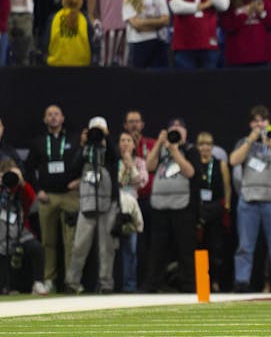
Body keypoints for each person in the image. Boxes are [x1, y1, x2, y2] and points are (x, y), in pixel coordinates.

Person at [229, 105, 271, 292]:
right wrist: (250, 141)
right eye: (255, 121)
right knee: (245, 246)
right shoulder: (244, 141)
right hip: (248, 199)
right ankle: (242, 281)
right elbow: (233, 161)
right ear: (251, 123)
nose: (259, 124)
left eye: (262, 120)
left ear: (268, 123)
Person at [26, 104, 82, 293]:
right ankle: (49, 279)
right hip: (47, 197)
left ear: (63, 118)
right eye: (49, 114)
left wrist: (80, 181)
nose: (53, 117)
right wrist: (37, 190)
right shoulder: (38, 142)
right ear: (44, 119)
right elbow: (28, 169)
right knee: (48, 242)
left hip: (70, 196)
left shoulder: (74, 140)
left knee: (71, 241)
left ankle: (71, 280)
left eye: (56, 114)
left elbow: (84, 162)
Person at [64, 116, 119, 294]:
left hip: (107, 204)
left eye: (100, 130)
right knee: (79, 246)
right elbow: (73, 168)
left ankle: (106, 283)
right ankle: (72, 282)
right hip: (87, 204)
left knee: (106, 248)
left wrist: (105, 138)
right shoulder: (86, 150)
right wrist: (84, 145)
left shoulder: (109, 150)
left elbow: (114, 157)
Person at [144, 119, 199, 293]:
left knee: (185, 249)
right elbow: (149, 166)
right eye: (172, 129)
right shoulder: (162, 148)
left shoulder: (190, 150)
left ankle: (188, 285)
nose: (175, 132)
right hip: (160, 206)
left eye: (179, 129)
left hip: (182, 207)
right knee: (157, 249)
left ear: (185, 133)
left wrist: (175, 151)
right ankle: (153, 284)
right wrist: (159, 143)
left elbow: (190, 171)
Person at [0, 159, 47, 295]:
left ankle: (38, 283)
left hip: (19, 229)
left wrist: (22, 183)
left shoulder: (20, 189)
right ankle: (5, 286)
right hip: (1, 230)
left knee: (37, 248)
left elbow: (33, 204)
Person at [195, 131, 231, 292]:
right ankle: (200, 280)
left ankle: (214, 280)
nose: (205, 148)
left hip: (216, 207)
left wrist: (227, 204)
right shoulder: (194, 163)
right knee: (199, 245)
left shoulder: (220, 163)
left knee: (215, 246)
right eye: (202, 144)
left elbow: (227, 185)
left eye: (208, 144)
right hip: (199, 208)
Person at [116, 130, 148, 293]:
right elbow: (117, 183)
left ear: (134, 145)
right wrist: (123, 166)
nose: (125, 143)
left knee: (130, 248)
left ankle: (129, 285)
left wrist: (131, 164)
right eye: (122, 140)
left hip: (132, 208)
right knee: (112, 248)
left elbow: (141, 182)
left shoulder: (140, 162)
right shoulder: (114, 161)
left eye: (129, 140)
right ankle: (109, 284)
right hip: (114, 207)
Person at [122, 0, 170, 69]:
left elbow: (166, 20)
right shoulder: (128, 1)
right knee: (138, 77)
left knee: (159, 76)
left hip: (158, 42)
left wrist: (144, 23)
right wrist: (157, 24)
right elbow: (136, 25)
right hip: (137, 42)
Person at [45, 0, 90, 66]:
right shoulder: (85, 20)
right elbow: (93, 44)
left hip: (56, 66)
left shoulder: (54, 18)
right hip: (82, 68)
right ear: (80, 2)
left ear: (63, 1)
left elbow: (45, 43)